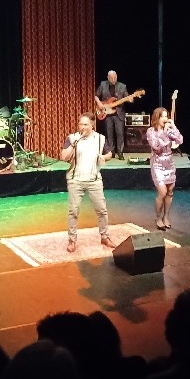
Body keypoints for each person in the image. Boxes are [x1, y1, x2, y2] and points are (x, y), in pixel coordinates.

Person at [59, 113, 117, 253]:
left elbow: (109, 153)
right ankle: (72, 240)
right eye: (80, 124)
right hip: (75, 180)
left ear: (92, 125)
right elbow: (63, 157)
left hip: (94, 180)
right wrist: (74, 143)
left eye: (85, 124)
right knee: (73, 211)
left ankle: (104, 236)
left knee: (102, 210)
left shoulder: (100, 139)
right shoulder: (72, 138)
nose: (82, 127)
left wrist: (104, 157)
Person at [146, 106, 184, 231]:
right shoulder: (151, 131)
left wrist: (173, 127)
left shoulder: (168, 130)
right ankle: (158, 217)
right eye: (162, 116)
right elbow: (156, 147)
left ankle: (166, 217)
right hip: (157, 163)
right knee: (162, 192)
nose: (165, 118)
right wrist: (164, 133)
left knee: (170, 192)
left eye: (166, 116)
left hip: (169, 163)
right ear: (157, 118)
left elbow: (180, 140)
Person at [94, 70, 129, 160]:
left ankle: (120, 152)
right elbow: (96, 95)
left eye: (115, 78)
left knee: (120, 133)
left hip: (119, 113)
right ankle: (111, 152)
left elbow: (126, 96)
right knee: (109, 134)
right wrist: (99, 103)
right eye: (111, 78)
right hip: (107, 113)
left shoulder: (122, 86)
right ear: (108, 78)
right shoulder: (103, 85)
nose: (113, 79)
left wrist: (130, 99)